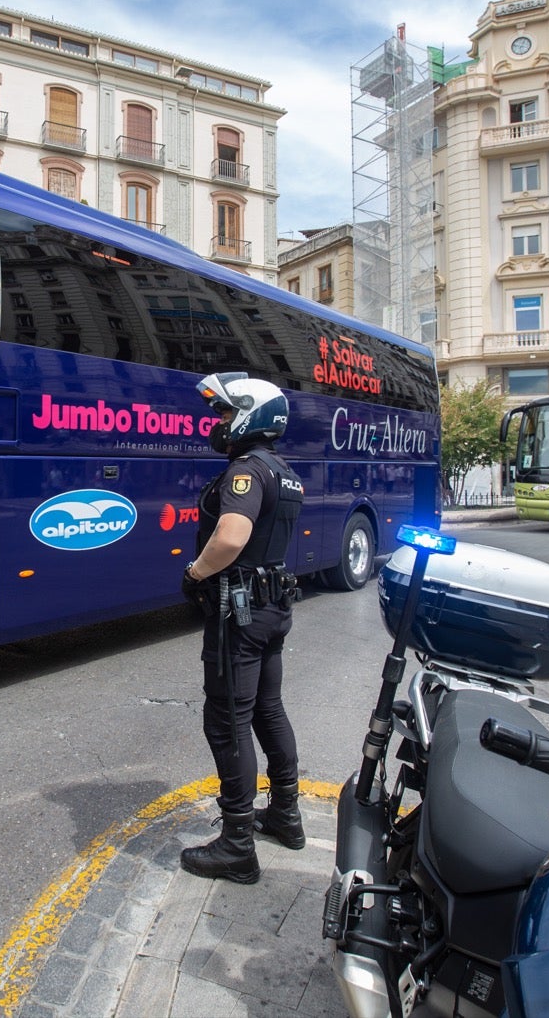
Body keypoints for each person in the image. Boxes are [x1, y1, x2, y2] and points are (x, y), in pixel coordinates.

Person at [179, 371, 306, 884]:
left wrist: (195, 573)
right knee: (268, 710)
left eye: (227, 412)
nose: (219, 422)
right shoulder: (285, 472)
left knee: (227, 720)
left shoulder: (247, 471)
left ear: (252, 413)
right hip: (273, 609)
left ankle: (236, 846)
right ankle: (286, 815)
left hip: (241, 611)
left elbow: (232, 538)